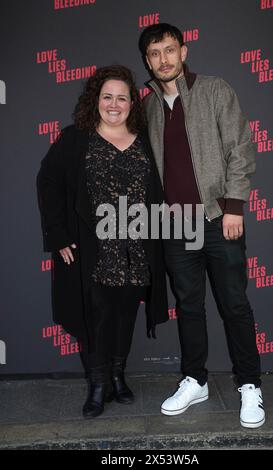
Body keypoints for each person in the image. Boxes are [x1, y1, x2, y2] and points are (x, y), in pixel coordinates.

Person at [138, 23, 265, 428]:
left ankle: (250, 385)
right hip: (176, 228)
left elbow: (240, 148)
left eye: (170, 50)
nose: (164, 59)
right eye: (155, 53)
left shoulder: (214, 90)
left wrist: (233, 206)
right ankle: (196, 380)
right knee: (189, 308)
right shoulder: (148, 107)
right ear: (148, 60)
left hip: (217, 219)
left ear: (184, 51)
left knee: (235, 305)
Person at [37, 65, 168, 419]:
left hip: (136, 250)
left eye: (121, 97)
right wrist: (59, 234)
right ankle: (97, 386)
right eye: (107, 96)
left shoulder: (145, 140)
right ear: (96, 100)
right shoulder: (75, 138)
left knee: (125, 316)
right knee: (95, 319)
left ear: (131, 104)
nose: (114, 104)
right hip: (92, 250)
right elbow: (48, 183)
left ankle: (117, 377)